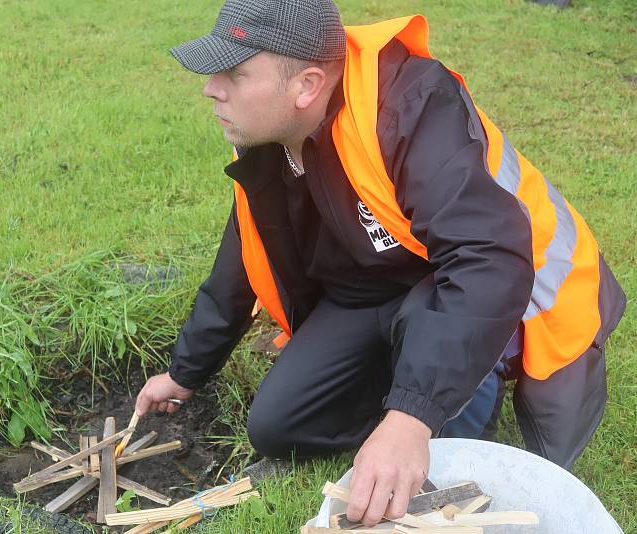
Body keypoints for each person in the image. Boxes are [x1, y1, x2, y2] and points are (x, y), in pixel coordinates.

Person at [134, 0, 626, 527]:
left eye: (234, 73)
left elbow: (487, 259)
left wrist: (412, 419)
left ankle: (453, 420)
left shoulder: (411, 105)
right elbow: (242, 257)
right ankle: (401, 402)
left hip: (469, 281)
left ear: (306, 85)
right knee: (278, 425)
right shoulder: (268, 138)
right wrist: (184, 373)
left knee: (436, 427)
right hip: (367, 292)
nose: (212, 87)